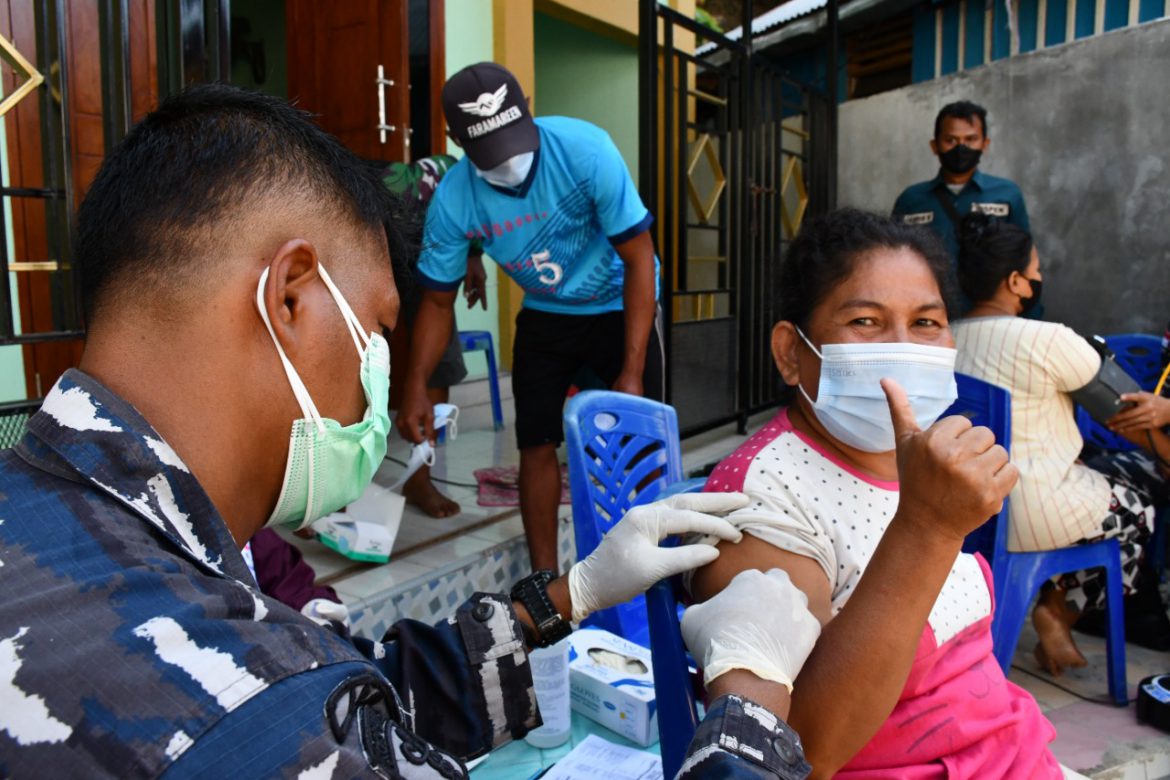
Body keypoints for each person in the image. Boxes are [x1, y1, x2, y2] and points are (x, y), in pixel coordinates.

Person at [0, 84, 815, 779]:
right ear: (290, 298)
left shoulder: (78, 520)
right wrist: (751, 699)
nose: (381, 385)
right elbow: (299, 710)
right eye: (379, 334)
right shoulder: (240, 717)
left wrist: (570, 595)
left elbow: (354, 692)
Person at [687, 208, 1061, 778]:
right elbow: (802, 750)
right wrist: (927, 529)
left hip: (1011, 752)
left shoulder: (916, 462)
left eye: (928, 323)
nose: (903, 349)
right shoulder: (760, 500)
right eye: (865, 321)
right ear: (791, 351)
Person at [395, 62, 664, 573]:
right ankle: (546, 582)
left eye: (514, 142)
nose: (510, 163)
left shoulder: (586, 151)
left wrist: (630, 371)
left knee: (634, 444)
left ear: (528, 111)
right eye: (491, 152)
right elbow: (435, 301)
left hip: (619, 304)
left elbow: (638, 258)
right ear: (457, 140)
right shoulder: (454, 198)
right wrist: (415, 383)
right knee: (535, 442)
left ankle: (644, 570)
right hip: (546, 314)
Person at [951, 213, 1166, 670]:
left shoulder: (945, 337)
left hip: (965, 511)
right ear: (1015, 281)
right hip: (1034, 511)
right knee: (1140, 503)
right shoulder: (1048, 340)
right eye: (1036, 271)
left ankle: (1052, 599)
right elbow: (1125, 411)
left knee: (1106, 477)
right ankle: (1059, 608)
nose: (1040, 279)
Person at [382, 154, 487, 518]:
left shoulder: (455, 179)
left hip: (430, 261)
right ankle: (325, 497)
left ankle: (419, 476)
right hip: (370, 257)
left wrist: (473, 256)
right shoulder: (364, 193)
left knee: (439, 361)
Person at [892, 101, 1030, 274]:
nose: (960, 148)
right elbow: (895, 260)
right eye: (950, 140)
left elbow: (1025, 259)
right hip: (929, 300)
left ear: (985, 144)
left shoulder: (1008, 194)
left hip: (985, 301)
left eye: (970, 139)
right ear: (935, 146)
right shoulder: (910, 200)